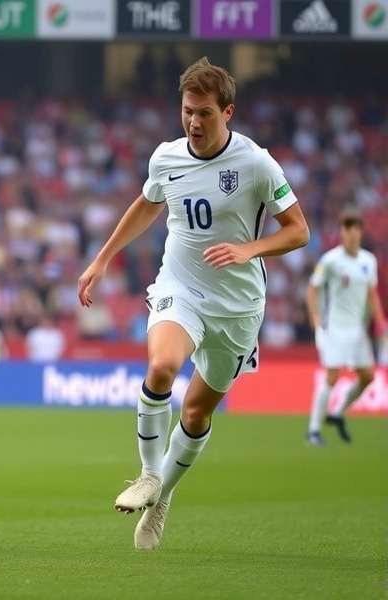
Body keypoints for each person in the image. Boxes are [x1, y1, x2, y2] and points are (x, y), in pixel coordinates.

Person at [77, 57, 309, 550]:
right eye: (187, 111)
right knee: (161, 366)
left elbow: (299, 231)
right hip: (179, 286)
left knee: (197, 413)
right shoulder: (166, 158)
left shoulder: (256, 164)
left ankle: (161, 500)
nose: (194, 122)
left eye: (205, 113)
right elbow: (146, 204)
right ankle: (145, 475)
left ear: (228, 112)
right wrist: (101, 260)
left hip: (238, 306)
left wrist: (249, 248)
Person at [306, 208, 385, 445]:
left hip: (358, 330)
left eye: (355, 229)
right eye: (346, 228)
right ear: (341, 232)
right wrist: (316, 321)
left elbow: (372, 294)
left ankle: (338, 412)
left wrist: (380, 322)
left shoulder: (368, 261)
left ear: (360, 232)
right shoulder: (330, 260)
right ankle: (313, 431)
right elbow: (312, 289)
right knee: (332, 376)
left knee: (368, 376)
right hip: (335, 328)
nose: (350, 234)